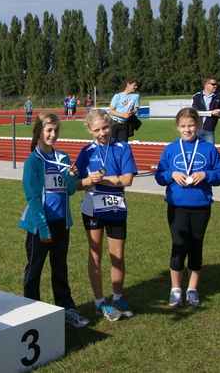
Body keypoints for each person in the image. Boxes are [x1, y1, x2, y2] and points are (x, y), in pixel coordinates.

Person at [18, 111, 91, 327]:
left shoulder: (63, 158)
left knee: (60, 267)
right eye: (49, 130)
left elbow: (69, 191)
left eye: (56, 130)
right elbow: (32, 196)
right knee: (34, 269)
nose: (53, 134)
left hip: (61, 223)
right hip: (39, 225)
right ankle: (32, 311)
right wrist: (43, 227)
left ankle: (67, 308)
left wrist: (71, 176)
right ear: (39, 132)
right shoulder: (33, 161)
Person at [155, 108, 220, 307]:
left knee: (196, 246)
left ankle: (192, 289)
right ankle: (175, 289)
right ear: (177, 127)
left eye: (191, 125)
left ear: (198, 125)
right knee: (178, 245)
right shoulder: (170, 149)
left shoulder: (209, 149)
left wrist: (206, 175)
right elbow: (159, 176)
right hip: (177, 205)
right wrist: (172, 175)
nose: (188, 130)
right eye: (183, 126)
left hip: (201, 205)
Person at [75, 109, 138, 321]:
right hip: (92, 208)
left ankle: (118, 297)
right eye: (97, 130)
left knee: (117, 255)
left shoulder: (123, 147)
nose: (102, 132)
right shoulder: (86, 151)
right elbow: (76, 185)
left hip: (116, 208)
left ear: (110, 125)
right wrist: (86, 181)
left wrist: (99, 179)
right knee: (95, 255)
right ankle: (99, 302)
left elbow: (127, 180)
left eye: (105, 127)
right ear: (89, 130)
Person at [191, 76, 220, 144]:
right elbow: (194, 112)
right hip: (197, 129)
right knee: (195, 149)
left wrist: (219, 113)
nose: (215, 86)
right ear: (206, 84)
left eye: (216, 84)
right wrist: (210, 113)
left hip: (210, 129)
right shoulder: (197, 96)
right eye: (213, 84)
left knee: (210, 150)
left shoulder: (219, 97)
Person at [108, 78, 140, 142]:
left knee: (123, 146)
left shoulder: (136, 96)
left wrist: (131, 112)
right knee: (111, 144)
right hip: (113, 123)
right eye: (134, 85)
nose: (136, 87)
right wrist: (122, 115)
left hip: (125, 124)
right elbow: (111, 111)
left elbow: (136, 109)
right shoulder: (117, 96)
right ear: (128, 85)